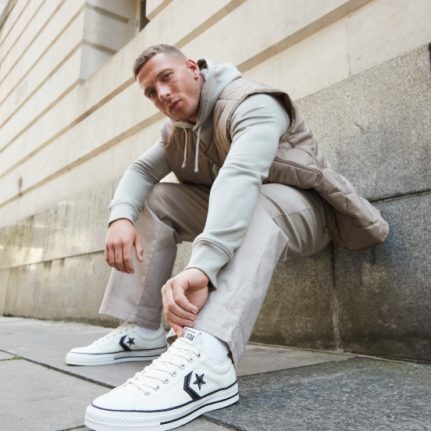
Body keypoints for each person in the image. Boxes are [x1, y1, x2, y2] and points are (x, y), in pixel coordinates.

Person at [66, 44, 389, 430]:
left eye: (167, 77)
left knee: (257, 199)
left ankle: (209, 356)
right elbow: (140, 170)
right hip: (239, 209)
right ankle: (142, 329)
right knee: (152, 199)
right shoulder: (178, 132)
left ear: (193, 68)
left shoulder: (253, 102)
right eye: (151, 92)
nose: (162, 94)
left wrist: (202, 268)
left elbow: (240, 177)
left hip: (305, 212)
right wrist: (120, 217)